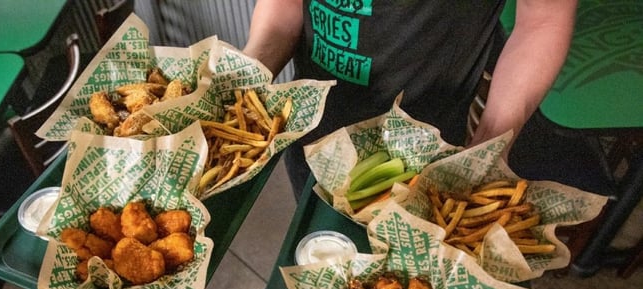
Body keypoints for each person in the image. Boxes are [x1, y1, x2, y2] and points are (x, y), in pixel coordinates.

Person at [243, 0, 577, 200]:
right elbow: (285, 6)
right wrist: (245, 82)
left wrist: (491, 142)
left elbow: (543, 19)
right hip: (313, 134)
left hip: (432, 152)